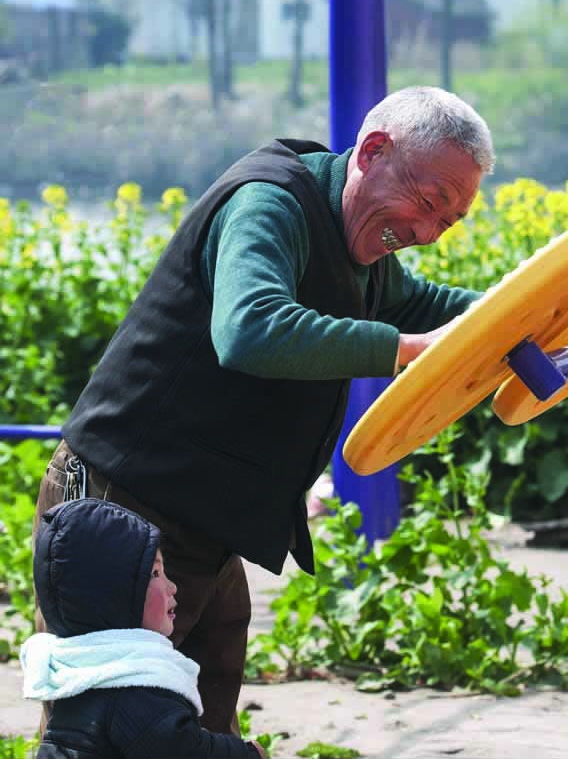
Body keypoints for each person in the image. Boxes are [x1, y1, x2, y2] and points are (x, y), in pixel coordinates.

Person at [33, 85, 495, 735]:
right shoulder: (268, 202)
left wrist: (555, 312)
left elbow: (433, 306)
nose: (422, 232)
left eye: (446, 223)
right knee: (101, 728)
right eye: (425, 203)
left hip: (207, 520)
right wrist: (410, 350)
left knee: (197, 724)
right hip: (122, 503)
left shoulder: (365, 247)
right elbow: (251, 328)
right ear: (373, 151)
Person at [23, 498, 266, 758]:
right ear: (116, 597)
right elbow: (180, 750)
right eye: (155, 574)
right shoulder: (132, 687)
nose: (172, 587)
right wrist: (247, 753)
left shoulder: (81, 672)